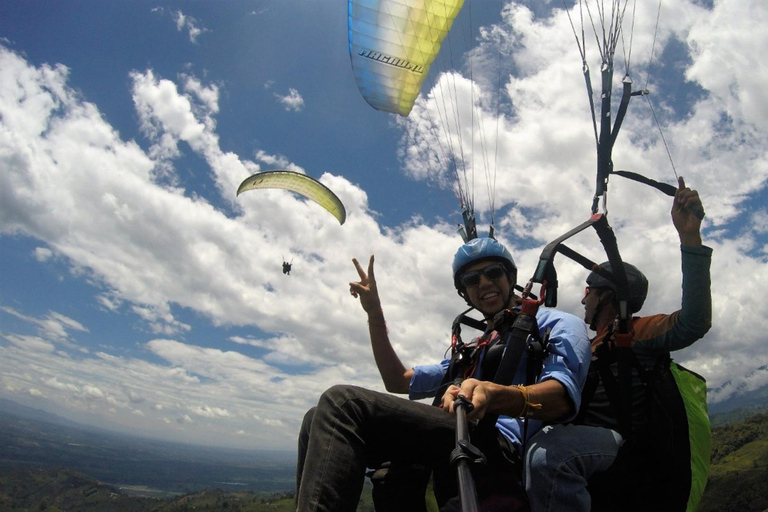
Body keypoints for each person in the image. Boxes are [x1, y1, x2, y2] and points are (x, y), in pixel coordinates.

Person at [294, 237, 591, 511]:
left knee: (343, 403)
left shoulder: (556, 323)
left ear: (510, 277)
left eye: (493, 272)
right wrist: (374, 314)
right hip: (454, 431)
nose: (484, 282)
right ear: (464, 291)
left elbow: (562, 398)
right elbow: (399, 380)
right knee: (315, 417)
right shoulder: (474, 346)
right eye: (472, 279)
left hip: (499, 445)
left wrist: (494, 395)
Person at [524, 177, 712, 512]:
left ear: (606, 294)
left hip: (621, 444)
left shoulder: (635, 331)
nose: (582, 297)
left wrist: (689, 237)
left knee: (549, 458)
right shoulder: (584, 341)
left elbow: (693, 323)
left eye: (589, 290)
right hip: (578, 435)